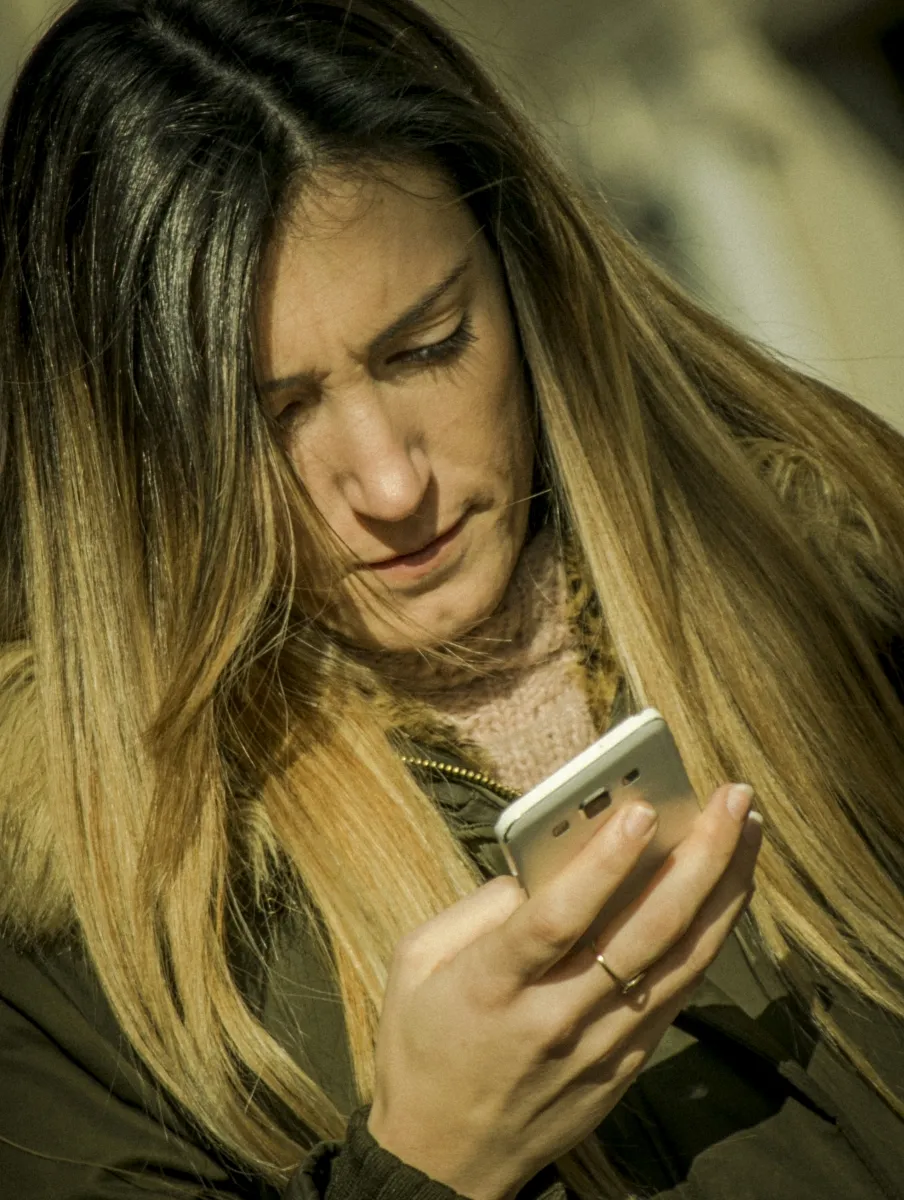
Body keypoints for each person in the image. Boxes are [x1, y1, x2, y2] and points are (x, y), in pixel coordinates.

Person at [1, 1, 903, 1198]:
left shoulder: (845, 570)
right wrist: (429, 1164)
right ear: (120, 449)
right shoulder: (71, 925)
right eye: (266, 417)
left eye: (425, 345)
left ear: (525, 276)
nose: (389, 482)